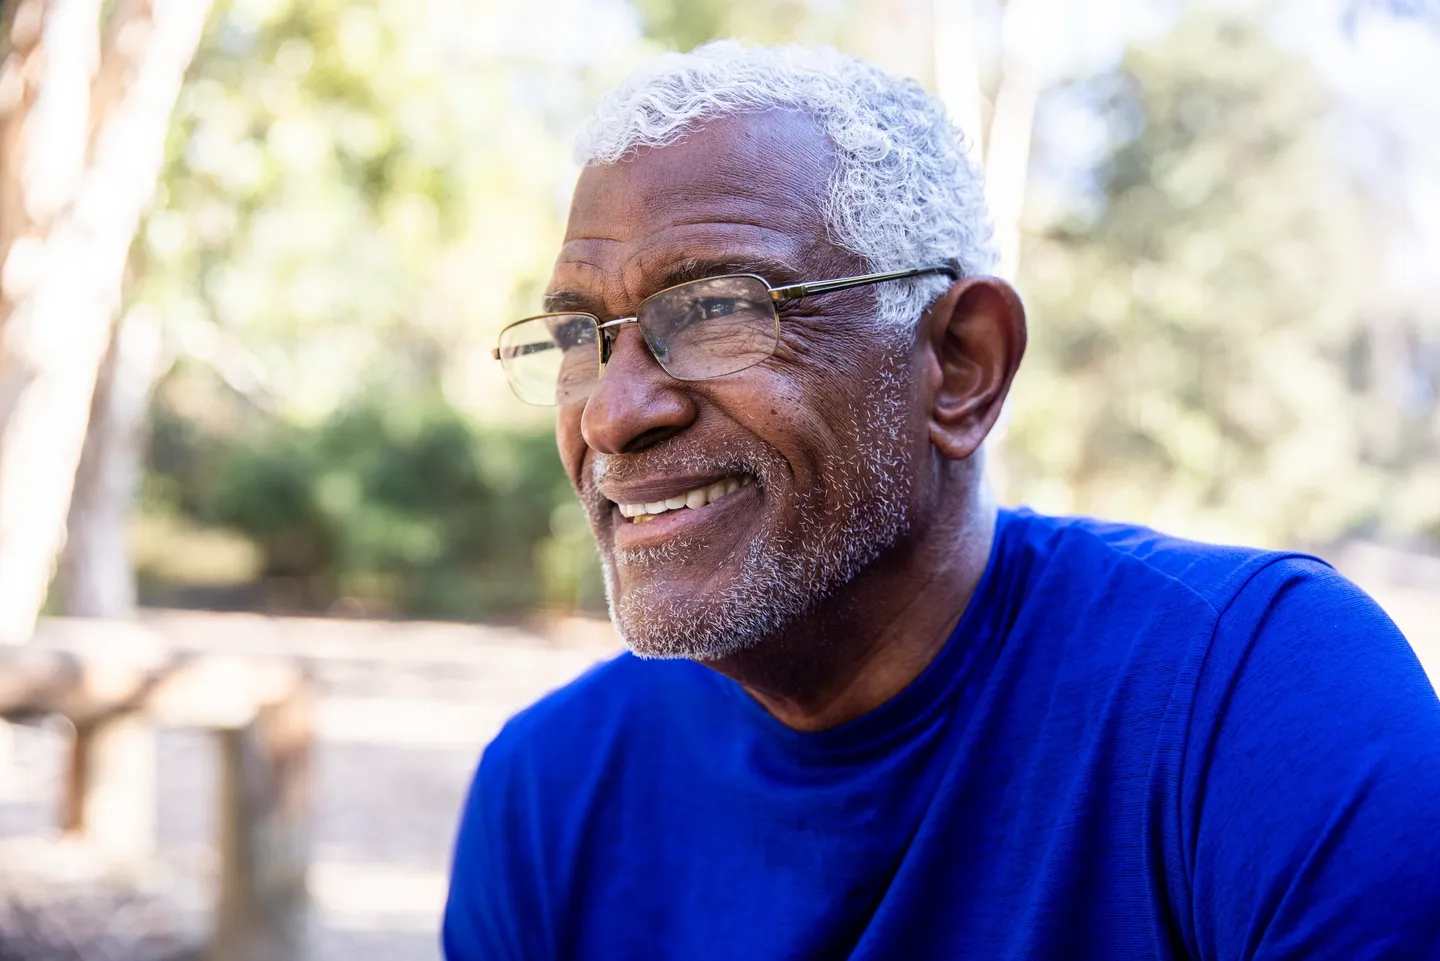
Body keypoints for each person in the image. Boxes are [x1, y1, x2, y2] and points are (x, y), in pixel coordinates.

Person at [444, 41, 1440, 960]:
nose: (615, 412)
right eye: (580, 337)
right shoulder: (549, 794)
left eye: (716, 310)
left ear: (961, 365)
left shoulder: (1252, 702)